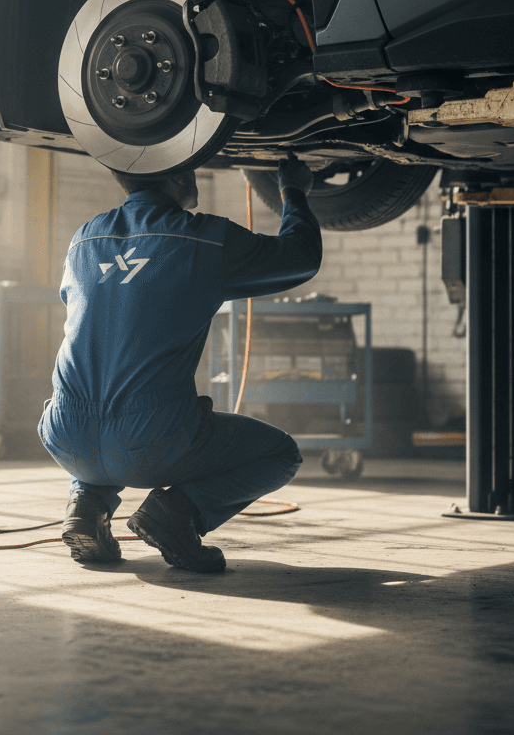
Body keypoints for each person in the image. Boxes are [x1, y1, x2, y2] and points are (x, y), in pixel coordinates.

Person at [38, 156, 322, 572]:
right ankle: (176, 514)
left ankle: (87, 506)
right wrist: (293, 190)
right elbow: (300, 256)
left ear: (118, 176)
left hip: (63, 433)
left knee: (104, 394)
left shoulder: (84, 238)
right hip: (146, 441)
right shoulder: (201, 240)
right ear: (180, 173)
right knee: (281, 454)